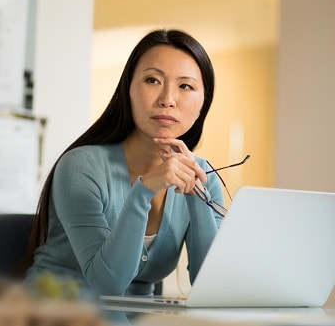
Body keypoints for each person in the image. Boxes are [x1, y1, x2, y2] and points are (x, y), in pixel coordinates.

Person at [23, 28, 224, 297]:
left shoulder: (204, 176)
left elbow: (212, 286)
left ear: (203, 103)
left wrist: (197, 195)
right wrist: (143, 192)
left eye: (185, 86)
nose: (168, 100)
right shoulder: (81, 167)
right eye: (153, 80)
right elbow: (107, 285)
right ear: (127, 89)